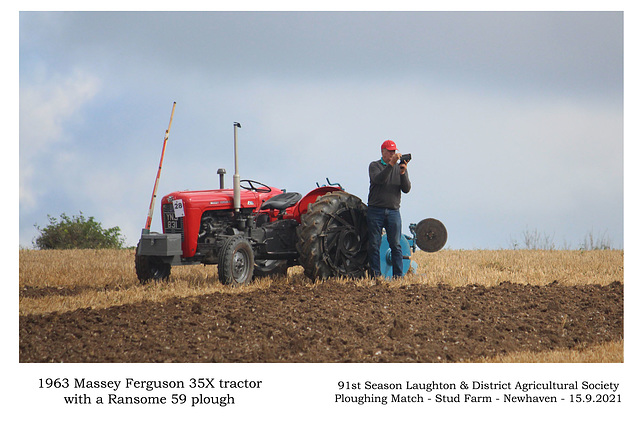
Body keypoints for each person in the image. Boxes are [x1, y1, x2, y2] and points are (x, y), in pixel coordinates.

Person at [367, 139, 411, 278]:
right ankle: (376, 276)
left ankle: (398, 277)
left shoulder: (398, 169)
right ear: (383, 152)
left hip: (393, 211)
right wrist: (392, 165)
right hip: (376, 211)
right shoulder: (374, 166)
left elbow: (406, 189)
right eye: (390, 151)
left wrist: (403, 173)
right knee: (374, 244)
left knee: (396, 245)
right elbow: (379, 179)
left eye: (394, 151)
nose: (393, 154)